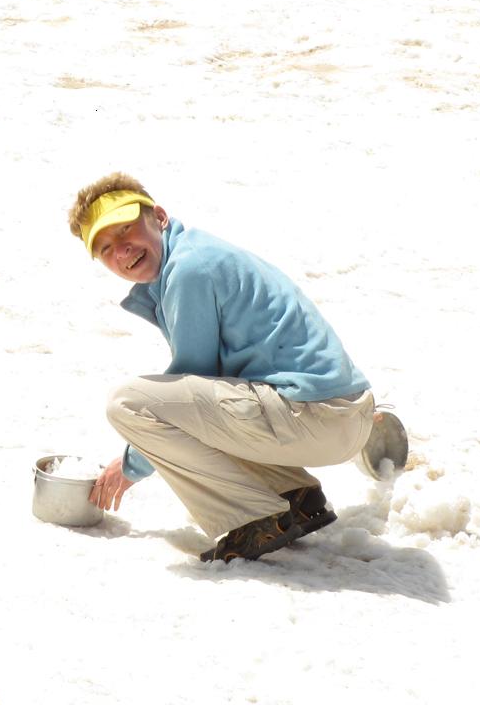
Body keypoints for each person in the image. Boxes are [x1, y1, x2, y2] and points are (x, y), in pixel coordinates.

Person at [69, 173, 374, 563]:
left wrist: (130, 466)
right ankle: (292, 497)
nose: (121, 250)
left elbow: (195, 375)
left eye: (126, 229)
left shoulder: (189, 269)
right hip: (336, 414)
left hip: (317, 415)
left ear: (159, 216)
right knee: (199, 405)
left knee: (127, 404)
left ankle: (253, 517)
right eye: (106, 247)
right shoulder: (191, 256)